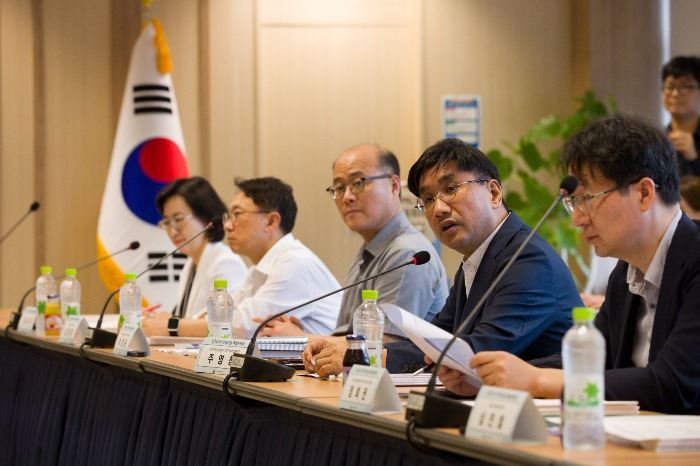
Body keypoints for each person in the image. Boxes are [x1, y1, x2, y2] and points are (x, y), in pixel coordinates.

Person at [440, 114, 700, 415]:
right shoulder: (625, 274)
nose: (577, 219)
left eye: (587, 199)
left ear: (644, 193)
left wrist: (537, 381)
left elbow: (674, 383)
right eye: (573, 203)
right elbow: (586, 361)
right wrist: (490, 378)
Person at [303, 139, 582, 377]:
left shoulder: (529, 260)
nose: (438, 209)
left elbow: (481, 350)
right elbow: (434, 340)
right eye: (427, 199)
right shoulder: (477, 258)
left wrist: (366, 357)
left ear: (494, 192)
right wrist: (363, 350)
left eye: (450, 189)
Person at [257, 144, 449, 343]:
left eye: (358, 183)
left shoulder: (407, 253)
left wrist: (302, 339)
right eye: (339, 188)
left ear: (393, 186)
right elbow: (350, 337)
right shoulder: (370, 249)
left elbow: (384, 345)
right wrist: (305, 334)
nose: (347, 196)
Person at [225, 177, 341, 337]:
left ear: (271, 221)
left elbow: (240, 327)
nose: (228, 226)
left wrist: (179, 325)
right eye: (229, 216)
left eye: (237, 214)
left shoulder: (294, 262)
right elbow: (223, 316)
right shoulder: (257, 270)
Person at [142, 176, 247, 337]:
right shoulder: (190, 265)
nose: (172, 231)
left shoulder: (225, 263)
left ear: (206, 218)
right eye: (167, 222)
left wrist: (170, 323)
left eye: (179, 219)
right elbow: (189, 320)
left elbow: (225, 324)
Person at [661, 55, 700, 176]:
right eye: (670, 87)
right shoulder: (657, 139)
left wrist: (694, 159)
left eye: (686, 87)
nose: (676, 93)